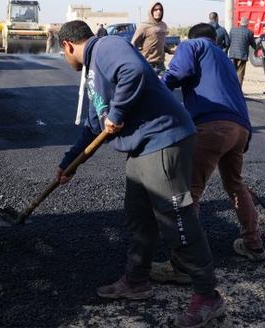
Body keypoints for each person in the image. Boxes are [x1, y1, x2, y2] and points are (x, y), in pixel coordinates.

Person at [56, 20, 226, 328]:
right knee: (138, 216)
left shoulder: (106, 47)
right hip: (141, 147)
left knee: (176, 218)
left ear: (68, 45)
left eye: (63, 54)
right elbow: (96, 126)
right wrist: (70, 163)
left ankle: (208, 296)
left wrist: (118, 113)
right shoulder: (93, 72)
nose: (65, 59)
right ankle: (136, 281)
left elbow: (132, 72)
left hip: (164, 138)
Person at [158, 23, 264, 270]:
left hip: (211, 127)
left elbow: (175, 75)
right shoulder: (226, 60)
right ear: (215, 38)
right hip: (240, 128)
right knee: (236, 185)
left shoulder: (192, 45)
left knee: (190, 190)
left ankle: (184, 262)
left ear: (195, 37)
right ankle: (253, 243)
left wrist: (155, 89)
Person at [132, 1, 173, 75]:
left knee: (164, 84)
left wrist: (169, 51)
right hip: (148, 63)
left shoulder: (163, 25)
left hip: (160, 64)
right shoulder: (144, 26)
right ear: (151, 11)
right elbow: (133, 43)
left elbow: (161, 42)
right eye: (155, 10)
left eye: (160, 10)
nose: (158, 12)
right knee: (149, 86)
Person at [227, 17, 257, 86]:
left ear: (240, 23)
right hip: (242, 55)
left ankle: (232, 88)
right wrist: (256, 49)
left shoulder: (233, 30)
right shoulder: (249, 32)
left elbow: (229, 42)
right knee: (240, 72)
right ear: (247, 24)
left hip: (232, 54)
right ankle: (238, 89)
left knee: (233, 72)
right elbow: (253, 44)